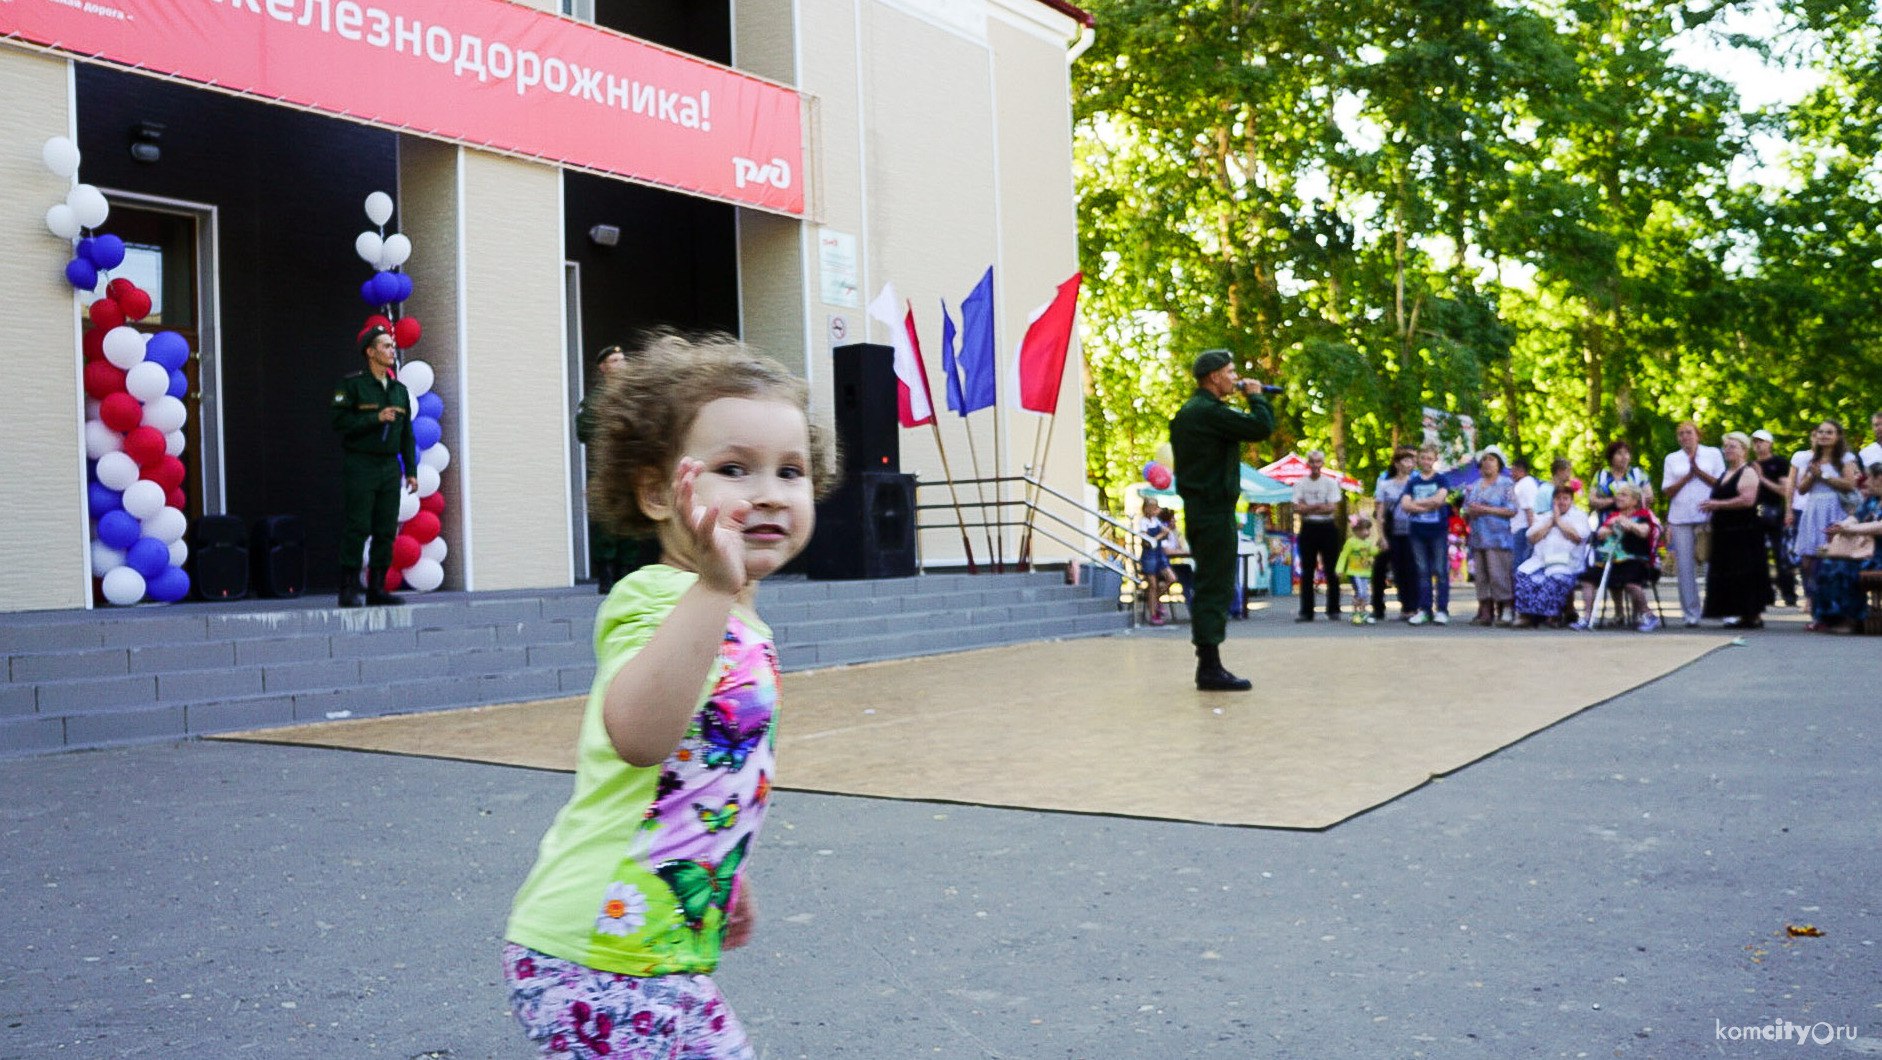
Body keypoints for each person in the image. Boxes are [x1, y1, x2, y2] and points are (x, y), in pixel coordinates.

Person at [503, 332, 837, 1059]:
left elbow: (692, 773)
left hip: (652, 954)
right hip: (599, 954)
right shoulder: (658, 599)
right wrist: (714, 589)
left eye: (790, 471)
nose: (768, 493)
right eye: (733, 469)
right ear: (657, 492)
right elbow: (640, 735)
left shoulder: (729, 612)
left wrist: (719, 865)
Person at [1169, 348, 1275, 691]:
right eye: (1230, 372)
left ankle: (1210, 663)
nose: (1235, 377)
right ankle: (1210, 668)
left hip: (1206, 510)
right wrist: (1257, 398)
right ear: (1213, 377)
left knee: (1213, 584)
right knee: (1215, 586)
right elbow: (1261, 427)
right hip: (1213, 512)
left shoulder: (1195, 412)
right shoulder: (1207, 412)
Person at [329, 326, 417, 608]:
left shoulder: (399, 391)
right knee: (358, 526)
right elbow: (338, 424)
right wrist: (374, 418)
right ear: (370, 351)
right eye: (386, 346)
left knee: (385, 528)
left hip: (390, 467)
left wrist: (412, 471)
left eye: (392, 346)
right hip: (361, 463)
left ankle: (377, 588)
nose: (392, 350)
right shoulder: (352, 386)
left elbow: (407, 435)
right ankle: (348, 588)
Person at [1698, 432, 1772, 629]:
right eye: (1726, 446)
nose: (1728, 450)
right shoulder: (1725, 473)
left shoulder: (1747, 472)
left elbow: (1748, 500)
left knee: (1745, 572)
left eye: (1733, 447)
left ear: (1744, 450)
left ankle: (1752, 614)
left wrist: (1717, 504)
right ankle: (1739, 613)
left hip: (1744, 532)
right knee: (1729, 571)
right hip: (1725, 532)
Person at [1570, 482, 1661, 632]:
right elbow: (1600, 533)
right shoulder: (1613, 516)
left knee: (1631, 583)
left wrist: (1628, 524)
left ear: (1635, 500)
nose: (1618, 498)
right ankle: (1586, 617)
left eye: (1624, 495)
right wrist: (1613, 525)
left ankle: (1649, 615)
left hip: (1636, 560)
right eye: (1618, 494)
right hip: (1612, 561)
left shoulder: (1644, 516)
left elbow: (1644, 532)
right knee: (1588, 578)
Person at [1790, 419, 1862, 604]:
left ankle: (1828, 601)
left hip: (1834, 507)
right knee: (1807, 559)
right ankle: (1811, 597)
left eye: (1829, 432)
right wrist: (1812, 475)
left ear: (1837, 437)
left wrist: (1823, 475)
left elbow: (1849, 484)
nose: (1824, 435)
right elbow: (1802, 489)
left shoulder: (1846, 458)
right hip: (1813, 508)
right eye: (1821, 432)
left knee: (1831, 556)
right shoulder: (1811, 459)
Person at [577, 344, 629, 594]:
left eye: (622, 360)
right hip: (605, 468)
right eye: (615, 360)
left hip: (631, 468)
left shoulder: (634, 397)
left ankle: (627, 574)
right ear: (603, 367)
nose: (621, 364)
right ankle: (606, 576)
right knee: (607, 521)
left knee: (630, 521)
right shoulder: (595, 400)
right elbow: (584, 431)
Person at [1661, 422, 1724, 627]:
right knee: (1685, 568)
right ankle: (1691, 613)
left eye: (1688, 433)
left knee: (1712, 565)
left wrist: (1698, 472)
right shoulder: (1672, 458)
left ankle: (1720, 609)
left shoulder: (1712, 454)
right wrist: (1688, 475)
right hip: (1680, 517)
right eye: (1680, 434)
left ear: (1698, 435)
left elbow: (1722, 483)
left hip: (1707, 516)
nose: (1684, 437)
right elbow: (1668, 490)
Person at [1808, 464, 1882, 632]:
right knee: (1827, 563)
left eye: (1870, 478)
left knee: (1845, 568)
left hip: (1878, 555)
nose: (1866, 482)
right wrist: (1841, 525)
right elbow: (1855, 518)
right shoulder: (1872, 501)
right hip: (1865, 553)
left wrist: (1850, 529)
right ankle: (1829, 618)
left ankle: (1851, 619)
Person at [1513, 485, 1590, 627]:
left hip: (1567, 562)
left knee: (1556, 578)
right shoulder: (1544, 516)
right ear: (1553, 501)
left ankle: (1552, 615)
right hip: (1541, 560)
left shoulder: (1579, 516)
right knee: (1523, 574)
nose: (1562, 502)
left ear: (1571, 501)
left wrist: (1559, 521)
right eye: (1558, 498)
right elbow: (1532, 537)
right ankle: (1526, 615)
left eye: (1565, 498)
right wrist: (1551, 521)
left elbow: (1577, 537)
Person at [1462, 450, 1518, 626]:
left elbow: (1511, 510)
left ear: (1499, 463)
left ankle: (1507, 610)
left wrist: (1486, 510)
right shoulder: (1475, 485)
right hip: (1478, 538)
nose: (1487, 462)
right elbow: (1465, 509)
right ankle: (1486, 612)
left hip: (1498, 538)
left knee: (1499, 575)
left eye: (1492, 459)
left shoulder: (1506, 484)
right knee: (1481, 577)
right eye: (1484, 459)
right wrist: (1470, 511)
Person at [1397, 444, 1451, 625]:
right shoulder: (1413, 481)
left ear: (1435, 460)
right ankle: (1424, 609)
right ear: (1418, 460)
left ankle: (1442, 609)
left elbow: (1439, 500)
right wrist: (1429, 504)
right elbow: (1405, 505)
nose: (1426, 462)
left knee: (1441, 571)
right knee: (1422, 571)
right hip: (1417, 532)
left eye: (1430, 458)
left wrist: (1417, 504)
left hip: (1437, 531)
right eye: (1423, 458)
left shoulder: (1441, 479)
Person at [1291, 449, 1344, 622]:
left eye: (1318, 461)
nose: (1315, 465)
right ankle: (1306, 612)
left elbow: (1332, 508)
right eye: (1312, 462)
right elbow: (1296, 508)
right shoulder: (1300, 484)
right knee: (1307, 571)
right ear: (1308, 464)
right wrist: (1319, 506)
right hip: (1308, 528)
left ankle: (1333, 609)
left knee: (1332, 570)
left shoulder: (1330, 483)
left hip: (1327, 528)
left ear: (1322, 463)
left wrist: (1308, 507)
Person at [1748, 429, 1798, 607]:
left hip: (1775, 513)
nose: (1758, 445)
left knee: (1780, 555)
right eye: (1755, 442)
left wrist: (1761, 478)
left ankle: (1789, 594)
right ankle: (1764, 595)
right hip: (1755, 515)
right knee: (1757, 557)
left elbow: (1784, 490)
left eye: (1762, 441)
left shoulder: (1780, 463)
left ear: (1770, 443)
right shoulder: (1749, 465)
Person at [1371, 447, 1417, 621]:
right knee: (1383, 568)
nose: (1410, 463)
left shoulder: (1416, 482)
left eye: (1412, 460)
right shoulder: (1384, 483)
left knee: (1409, 569)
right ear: (1397, 463)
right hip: (1391, 531)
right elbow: (1380, 513)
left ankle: (1410, 606)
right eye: (1406, 460)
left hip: (1411, 530)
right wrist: (1381, 536)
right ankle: (1377, 606)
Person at [1136, 498, 1178, 625]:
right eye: (1154, 508)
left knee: (1172, 578)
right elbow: (1147, 541)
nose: (1156, 511)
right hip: (1149, 555)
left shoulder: (1156, 521)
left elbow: (1165, 532)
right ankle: (1153, 614)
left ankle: (1156, 601)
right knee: (1153, 585)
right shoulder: (1143, 522)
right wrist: (1160, 535)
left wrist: (1166, 531)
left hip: (1159, 554)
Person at [1336, 516, 1379, 625]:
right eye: (1364, 529)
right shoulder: (1351, 542)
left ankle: (1363, 613)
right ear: (1356, 531)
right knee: (1360, 593)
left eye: (1368, 529)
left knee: (1365, 594)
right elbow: (1343, 555)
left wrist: (1379, 548)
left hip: (1365, 572)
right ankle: (1355, 613)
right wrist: (1339, 568)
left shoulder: (1368, 542)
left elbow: (1372, 552)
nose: (1366, 532)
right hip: (1354, 573)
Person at [1590, 440, 1653, 515]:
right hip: (1605, 520)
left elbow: (1649, 497)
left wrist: (1628, 503)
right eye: (1619, 453)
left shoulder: (1638, 473)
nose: (1624, 457)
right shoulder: (1601, 475)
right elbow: (1592, 500)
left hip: (1634, 519)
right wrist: (1614, 500)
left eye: (1626, 453)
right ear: (1611, 457)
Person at [1509, 458, 1538, 571]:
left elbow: (1529, 510)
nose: (1511, 474)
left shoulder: (1526, 484)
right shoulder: (1522, 484)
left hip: (1523, 529)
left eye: (1513, 470)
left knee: (1520, 563)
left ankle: (1519, 588)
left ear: (1520, 470)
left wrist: (1531, 532)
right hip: (1519, 529)